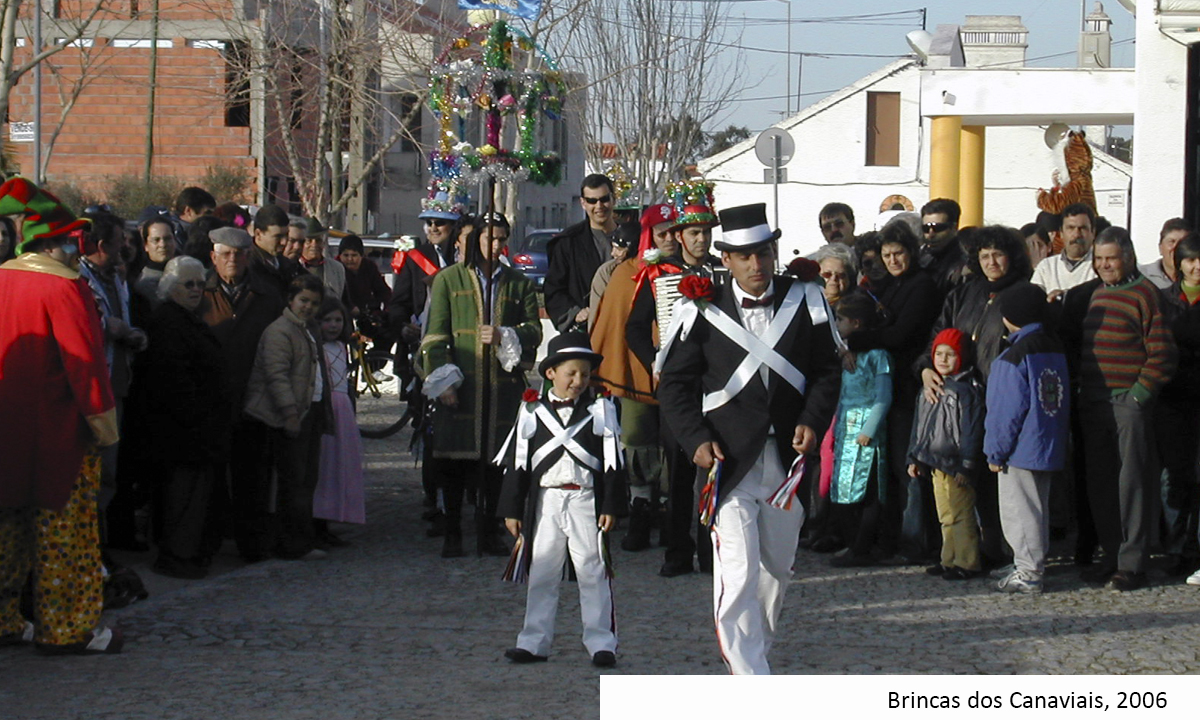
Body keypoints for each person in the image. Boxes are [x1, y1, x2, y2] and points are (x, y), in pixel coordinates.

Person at [658, 202, 841, 675]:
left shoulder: (806, 300)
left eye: (763, 253)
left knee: (777, 568)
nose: (756, 264)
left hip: (785, 460)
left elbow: (826, 370)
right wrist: (696, 439)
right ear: (726, 259)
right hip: (729, 459)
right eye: (744, 256)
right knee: (738, 569)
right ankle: (749, 674)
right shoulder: (700, 310)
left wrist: (813, 420)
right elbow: (674, 385)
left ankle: (756, 650)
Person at [0, 178, 122, 654]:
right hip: (58, 436)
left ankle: (5, 619)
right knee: (64, 535)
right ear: (59, 242)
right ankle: (66, 626)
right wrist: (104, 426)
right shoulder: (66, 288)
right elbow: (85, 366)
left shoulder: (2, 279)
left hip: (6, 432)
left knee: (7, 528)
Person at [497, 333, 627, 668]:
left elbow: (614, 463)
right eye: (571, 373)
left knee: (593, 571)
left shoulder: (601, 410)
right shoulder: (532, 411)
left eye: (584, 373)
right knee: (542, 571)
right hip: (547, 501)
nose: (578, 381)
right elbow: (518, 464)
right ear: (551, 373)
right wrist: (512, 509)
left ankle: (602, 643)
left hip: (585, 499)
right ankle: (533, 642)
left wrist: (611, 505)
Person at [419, 212, 542, 558]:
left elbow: (534, 329)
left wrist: (506, 334)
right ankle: (453, 531)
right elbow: (436, 335)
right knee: (454, 464)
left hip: (501, 387)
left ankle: (490, 530)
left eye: (502, 238)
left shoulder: (519, 283)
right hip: (461, 385)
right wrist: (443, 381)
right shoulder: (449, 279)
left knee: (496, 465)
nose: (497, 245)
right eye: (490, 238)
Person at [627, 179, 723, 577]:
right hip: (679, 388)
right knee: (679, 472)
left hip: (718, 384)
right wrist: (656, 361)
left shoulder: (723, 271)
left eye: (706, 233)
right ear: (679, 235)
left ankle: (712, 550)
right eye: (694, 233)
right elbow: (635, 328)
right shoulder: (659, 276)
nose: (701, 240)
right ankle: (678, 551)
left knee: (715, 467)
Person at [1076, 227, 1177, 591]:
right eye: (1099, 259)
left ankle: (1132, 564)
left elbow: (1162, 353)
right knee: (1101, 483)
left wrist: (1138, 395)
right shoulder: (1098, 294)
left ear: (1129, 258)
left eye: (1111, 259)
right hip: (1094, 402)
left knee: (1132, 483)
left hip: (1127, 402)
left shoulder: (1145, 295)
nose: (1104, 265)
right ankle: (1111, 555)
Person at [841, 221, 940, 564]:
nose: (893, 260)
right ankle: (888, 539)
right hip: (888, 384)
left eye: (898, 253)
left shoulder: (921, 285)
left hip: (908, 385)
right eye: (887, 255)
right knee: (887, 471)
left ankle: (915, 542)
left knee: (905, 468)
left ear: (911, 252)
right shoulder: (892, 285)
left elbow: (899, 334)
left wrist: (855, 341)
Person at [590, 204, 678, 552]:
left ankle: (670, 513)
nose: (669, 239)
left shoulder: (689, 271)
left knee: (673, 446)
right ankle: (640, 509)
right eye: (662, 233)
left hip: (675, 378)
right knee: (637, 442)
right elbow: (613, 324)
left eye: (674, 232)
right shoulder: (626, 274)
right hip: (633, 373)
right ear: (649, 236)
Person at [136, 257, 230, 579]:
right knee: (182, 496)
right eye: (188, 284)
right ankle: (177, 554)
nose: (195, 290)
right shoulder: (168, 322)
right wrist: (198, 415)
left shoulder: (187, 319)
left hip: (197, 425)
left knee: (194, 495)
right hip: (182, 427)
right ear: (170, 287)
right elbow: (173, 378)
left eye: (200, 284)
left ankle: (188, 552)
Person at [200, 226, 285, 562]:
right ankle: (210, 542)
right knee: (212, 478)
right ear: (213, 257)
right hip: (213, 400)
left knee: (253, 477)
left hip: (254, 399)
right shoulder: (199, 292)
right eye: (225, 254)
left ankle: (252, 543)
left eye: (238, 254)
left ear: (248, 257)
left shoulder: (267, 296)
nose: (232, 259)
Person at [985, 283, 1071, 594]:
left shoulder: (1012, 357)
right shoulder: (1053, 345)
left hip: (1020, 448)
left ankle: (1028, 570)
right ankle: (1031, 561)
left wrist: (995, 452)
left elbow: (1005, 411)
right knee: (1038, 508)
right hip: (1048, 440)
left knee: (1018, 511)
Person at [243, 273, 329, 560]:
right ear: (291, 300)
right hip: (288, 415)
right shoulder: (280, 331)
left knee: (306, 480)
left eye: (314, 303)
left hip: (309, 410)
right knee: (293, 482)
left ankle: (300, 539)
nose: (308, 307)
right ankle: (291, 543)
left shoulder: (307, 329)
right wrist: (290, 414)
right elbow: (276, 376)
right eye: (303, 300)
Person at [908, 328, 984, 580]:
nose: (942, 359)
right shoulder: (930, 388)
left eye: (950, 355)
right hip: (934, 462)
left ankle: (967, 561)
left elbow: (972, 430)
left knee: (961, 514)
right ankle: (949, 558)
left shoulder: (966, 391)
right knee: (945, 514)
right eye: (938, 354)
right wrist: (914, 456)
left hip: (956, 463)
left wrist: (967, 464)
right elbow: (920, 425)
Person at [827, 293, 892, 567]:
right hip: (846, 426)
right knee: (844, 488)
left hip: (866, 430)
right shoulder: (848, 354)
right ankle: (853, 542)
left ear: (855, 323)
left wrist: (870, 429)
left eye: (840, 320)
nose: (837, 325)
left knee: (868, 491)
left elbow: (883, 396)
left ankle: (863, 547)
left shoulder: (878, 356)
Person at [1158, 232, 1200, 580]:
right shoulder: (1164, 300)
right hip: (1171, 399)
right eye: (1190, 259)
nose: (1197, 266)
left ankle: (1194, 549)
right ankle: (1174, 548)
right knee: (1172, 477)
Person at [312, 298, 365, 547]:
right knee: (323, 466)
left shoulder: (342, 347)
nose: (333, 325)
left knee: (338, 466)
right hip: (325, 407)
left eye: (338, 320)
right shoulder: (316, 347)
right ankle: (316, 521)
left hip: (342, 409)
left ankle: (330, 518)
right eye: (327, 320)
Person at [545, 173, 619, 332]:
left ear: (614, 199)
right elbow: (554, 289)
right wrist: (575, 313)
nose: (599, 206)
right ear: (583, 203)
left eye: (604, 199)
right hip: (587, 329)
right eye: (592, 201)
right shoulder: (567, 242)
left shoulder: (634, 238)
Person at [1030, 203, 1096, 297]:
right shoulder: (1046, 266)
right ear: (1061, 233)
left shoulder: (1100, 266)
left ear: (1093, 232)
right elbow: (1033, 299)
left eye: (1082, 228)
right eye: (1071, 228)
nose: (1076, 234)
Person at [587, 221, 640, 330]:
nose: (613, 253)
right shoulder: (606, 272)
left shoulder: (655, 270)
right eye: (613, 247)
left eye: (619, 249)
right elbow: (596, 314)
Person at [918, 198, 969, 302]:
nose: (931, 234)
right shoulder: (920, 257)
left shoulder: (964, 265)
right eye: (926, 228)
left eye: (938, 228)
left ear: (954, 227)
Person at [249, 204, 300, 298]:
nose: (284, 242)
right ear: (258, 234)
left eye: (286, 235)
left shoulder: (287, 265)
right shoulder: (246, 268)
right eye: (278, 236)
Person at [133, 214, 176, 310]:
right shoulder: (145, 283)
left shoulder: (185, 272)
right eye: (156, 240)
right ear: (146, 245)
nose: (163, 245)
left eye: (168, 238)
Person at [299, 218, 347, 303]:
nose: (314, 245)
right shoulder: (294, 267)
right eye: (309, 241)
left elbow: (345, 300)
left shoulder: (337, 268)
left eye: (318, 241)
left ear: (323, 243)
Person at [1138, 218, 1190, 291]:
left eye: (1182, 242)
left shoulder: (1196, 277)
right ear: (1160, 248)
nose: (1176, 247)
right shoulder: (1141, 276)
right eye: (1172, 242)